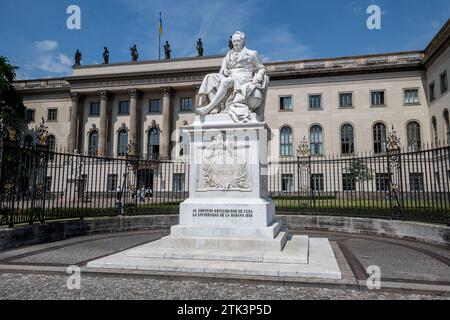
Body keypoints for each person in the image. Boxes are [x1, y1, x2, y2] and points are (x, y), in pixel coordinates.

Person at [196, 31, 268, 123]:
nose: (236, 43)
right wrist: (224, 70)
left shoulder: (251, 54)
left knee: (226, 82)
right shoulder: (228, 55)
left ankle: (208, 107)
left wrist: (258, 77)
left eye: (238, 41)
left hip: (243, 78)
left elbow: (261, 68)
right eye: (234, 41)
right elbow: (222, 71)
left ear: (243, 41)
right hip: (230, 76)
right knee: (209, 77)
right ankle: (216, 107)